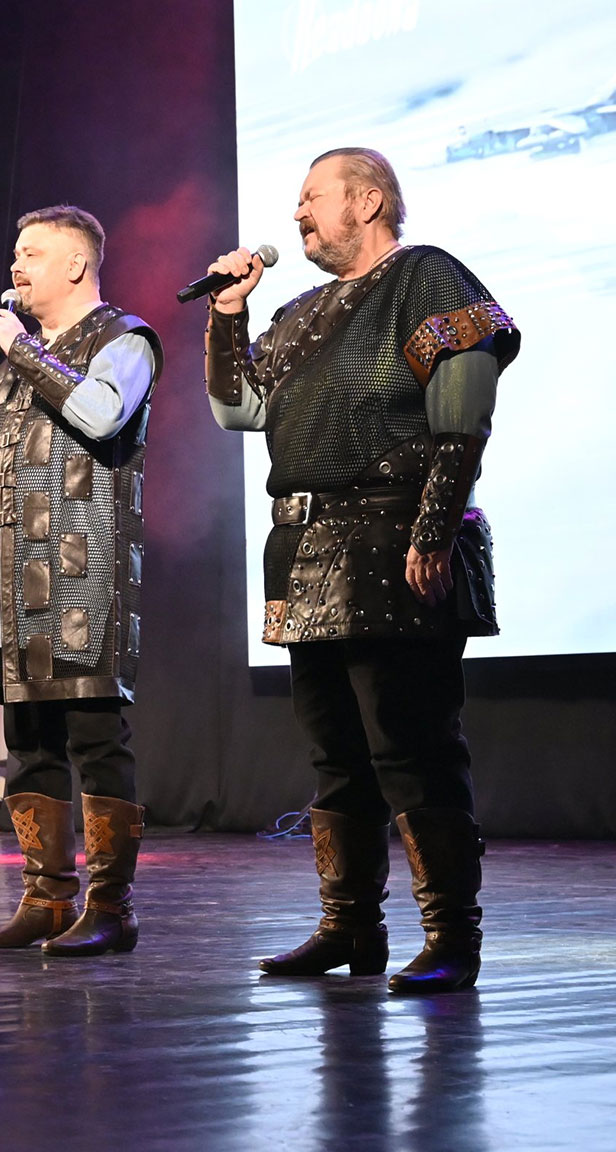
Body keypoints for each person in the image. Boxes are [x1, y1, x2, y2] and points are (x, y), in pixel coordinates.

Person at [203, 147, 519, 993]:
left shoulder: (425, 275)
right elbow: (240, 409)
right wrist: (229, 314)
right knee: (336, 754)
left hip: (394, 538)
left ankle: (451, 936)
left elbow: (465, 403)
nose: (297, 213)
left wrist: (435, 527)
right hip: (305, 551)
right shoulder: (301, 311)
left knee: (413, 746)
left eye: (313, 196)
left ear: (368, 201)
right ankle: (349, 926)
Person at [0, 204, 162, 957]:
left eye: (32, 252)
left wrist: (21, 350)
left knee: (95, 738)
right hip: (16, 578)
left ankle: (111, 906)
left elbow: (103, 415)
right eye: (16, 252)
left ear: (76, 264)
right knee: (29, 744)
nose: (16, 265)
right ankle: (46, 897)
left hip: (83, 574)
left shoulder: (125, 338)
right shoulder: (18, 360)